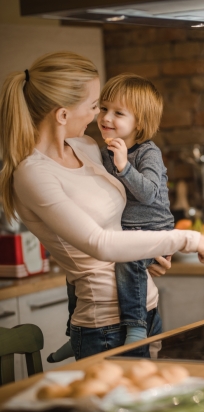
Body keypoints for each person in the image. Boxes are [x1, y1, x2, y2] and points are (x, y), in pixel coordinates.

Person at [0, 51, 204, 360]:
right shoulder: (33, 173)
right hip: (104, 327)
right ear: (63, 115)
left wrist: (145, 254)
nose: (99, 116)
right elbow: (99, 243)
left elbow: (121, 224)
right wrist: (190, 239)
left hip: (146, 309)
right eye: (96, 106)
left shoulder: (88, 147)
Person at [49, 72, 174, 362]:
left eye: (118, 113)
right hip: (124, 229)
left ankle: (135, 326)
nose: (105, 117)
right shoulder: (101, 147)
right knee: (75, 271)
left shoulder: (147, 152)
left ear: (139, 123)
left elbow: (149, 194)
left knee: (127, 263)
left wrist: (124, 167)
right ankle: (72, 332)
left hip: (151, 229)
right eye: (103, 108)